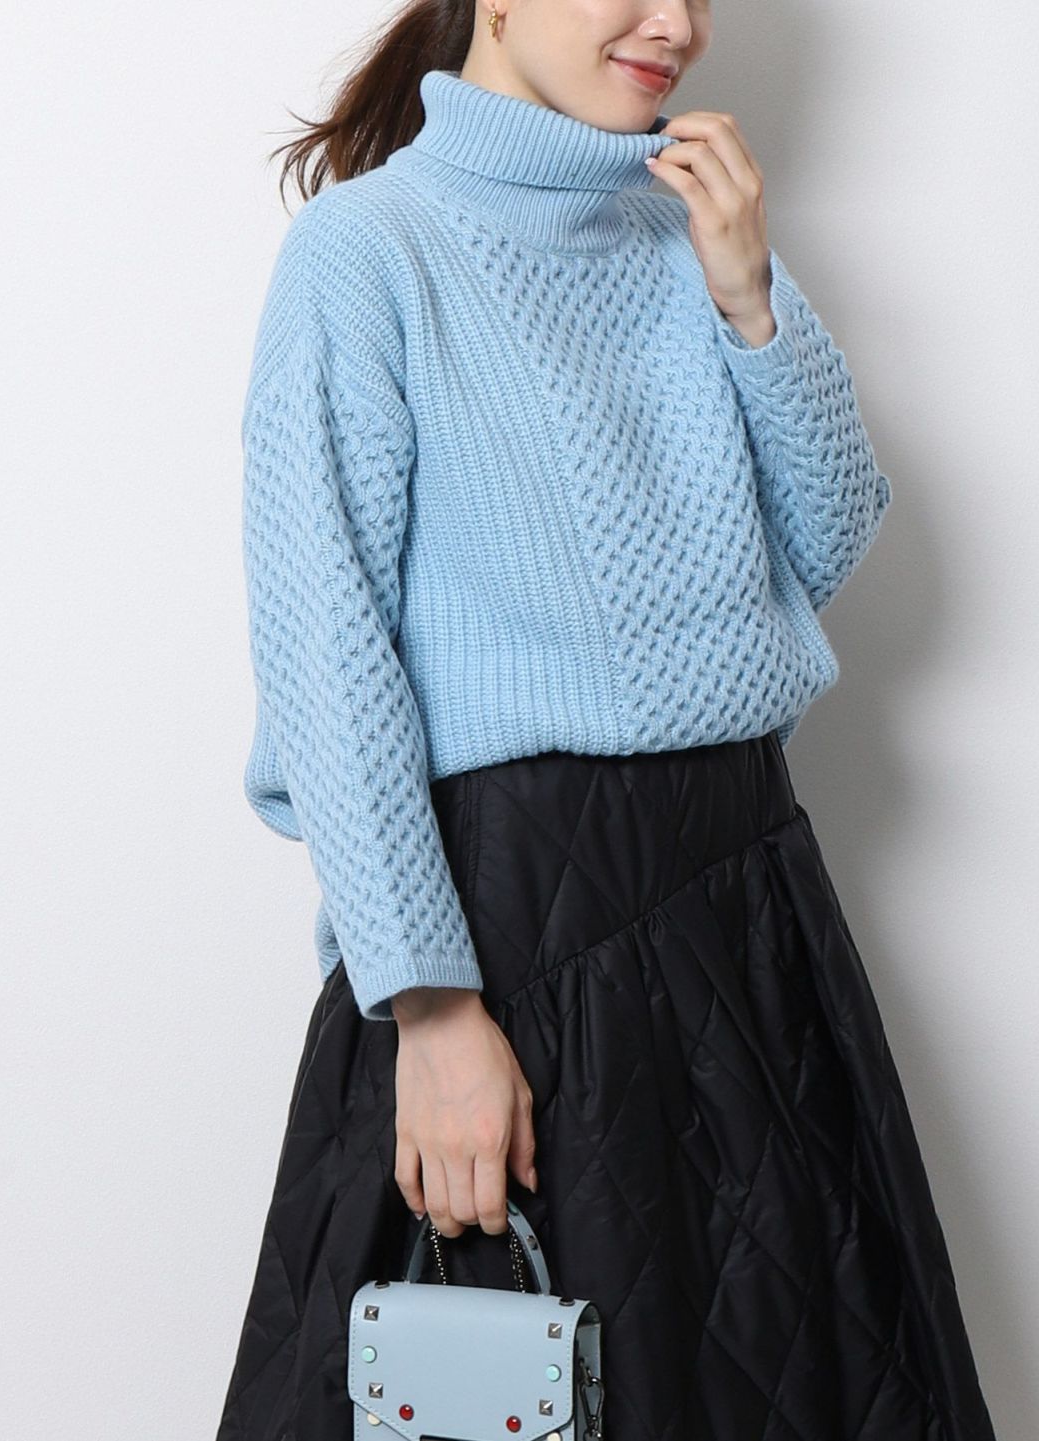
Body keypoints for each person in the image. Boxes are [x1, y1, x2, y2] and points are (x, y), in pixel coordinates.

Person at [216, 3, 999, 1438]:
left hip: (752, 913)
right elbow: (326, 657)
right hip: (520, 941)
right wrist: (432, 1011)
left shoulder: (684, 232)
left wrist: (752, 300)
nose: (678, 25)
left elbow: (824, 545)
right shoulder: (368, 251)